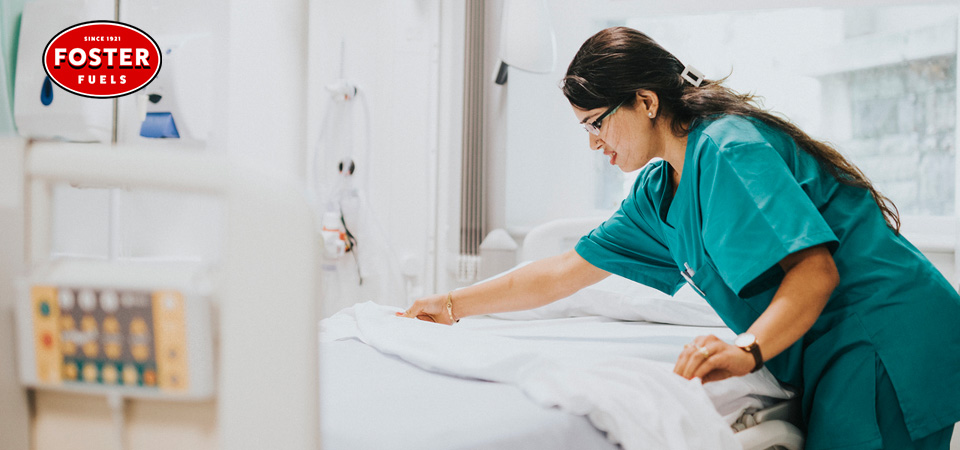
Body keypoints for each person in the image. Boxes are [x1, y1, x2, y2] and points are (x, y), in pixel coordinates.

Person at [399, 26, 960, 450]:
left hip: (888, 333)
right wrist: (449, 304)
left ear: (645, 102)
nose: (593, 143)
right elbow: (565, 270)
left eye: (596, 122)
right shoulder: (655, 191)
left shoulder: (728, 148)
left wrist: (745, 350)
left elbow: (816, 272)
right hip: (834, 346)